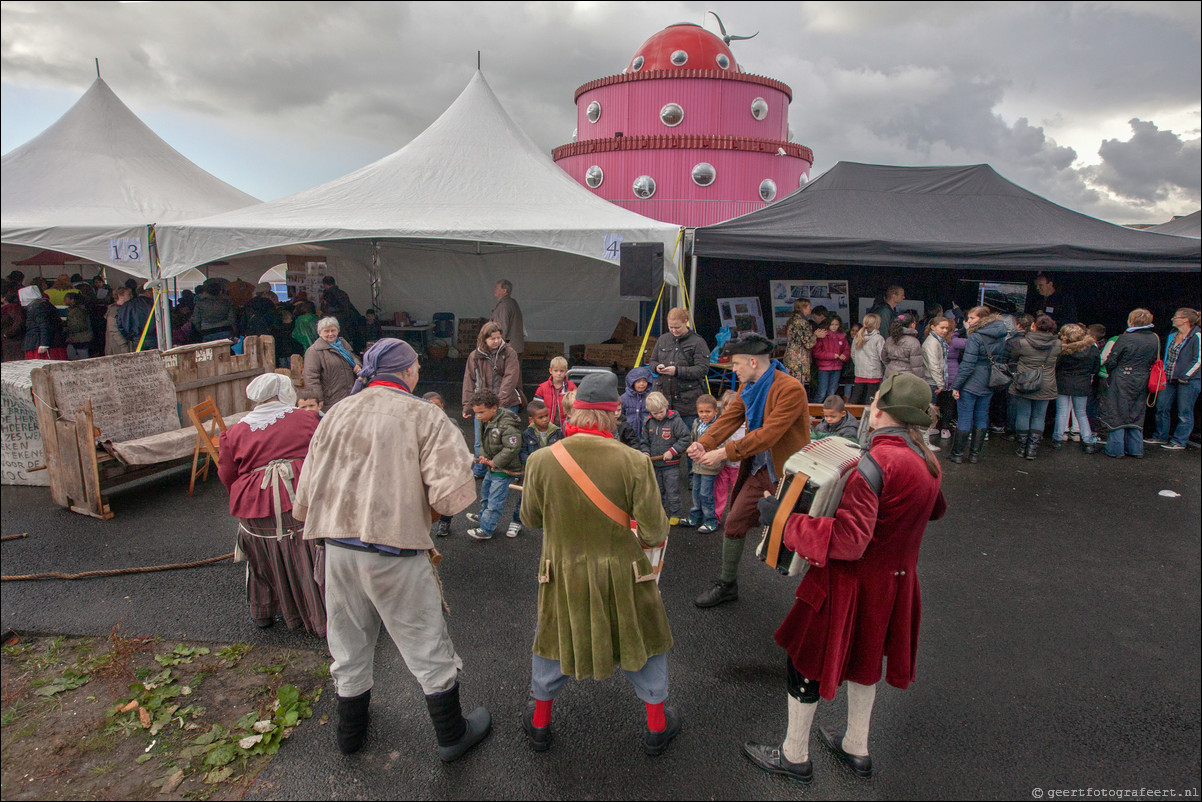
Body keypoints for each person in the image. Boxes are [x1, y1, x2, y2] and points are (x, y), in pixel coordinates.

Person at [293, 338, 490, 761]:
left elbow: (306, 492)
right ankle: (452, 735)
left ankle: (350, 735)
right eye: (416, 364)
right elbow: (452, 498)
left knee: (347, 642)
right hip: (394, 553)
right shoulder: (424, 416)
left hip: (337, 550)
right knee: (425, 642)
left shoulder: (337, 411)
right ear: (408, 371)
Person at [743, 372, 945, 784]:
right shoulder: (927, 458)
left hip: (847, 583)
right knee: (866, 661)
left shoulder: (876, 462)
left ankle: (794, 755)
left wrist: (782, 519)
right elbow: (935, 510)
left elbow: (850, 541)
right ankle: (856, 747)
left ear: (881, 410)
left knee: (805, 662)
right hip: (896, 581)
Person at [518, 372, 678, 756]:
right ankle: (656, 727)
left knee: (554, 638)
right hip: (625, 571)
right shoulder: (635, 460)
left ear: (575, 409)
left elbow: (531, 520)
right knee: (643, 639)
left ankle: (540, 723)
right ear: (615, 413)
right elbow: (655, 531)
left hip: (562, 571)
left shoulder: (541, 460)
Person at [688, 334, 809, 608]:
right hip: (760, 469)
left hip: (788, 473)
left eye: (737, 364)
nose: (734, 370)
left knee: (801, 536)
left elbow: (769, 435)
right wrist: (703, 443)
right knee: (733, 524)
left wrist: (723, 452)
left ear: (753, 361)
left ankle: (814, 600)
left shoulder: (790, 389)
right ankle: (727, 584)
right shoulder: (749, 386)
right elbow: (729, 418)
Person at [217, 373, 325, 634]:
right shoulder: (308, 418)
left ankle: (265, 611)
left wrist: (249, 494)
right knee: (309, 553)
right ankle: (320, 615)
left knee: (264, 557)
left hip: (256, 505)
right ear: (284, 393)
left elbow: (227, 475)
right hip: (300, 499)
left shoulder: (234, 432)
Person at [461, 321, 522, 478]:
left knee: (506, 439)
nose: (496, 341)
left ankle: (507, 471)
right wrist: (467, 406)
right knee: (480, 439)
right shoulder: (475, 356)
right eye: (492, 338)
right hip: (482, 404)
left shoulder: (509, 353)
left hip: (506, 403)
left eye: (498, 337)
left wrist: (499, 403)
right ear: (484, 339)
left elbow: (511, 378)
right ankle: (480, 470)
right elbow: (469, 381)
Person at [948, 306, 1008, 465]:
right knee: (982, 416)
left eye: (972, 318)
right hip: (989, 381)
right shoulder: (1001, 335)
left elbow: (968, 365)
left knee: (965, 417)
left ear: (982, 319)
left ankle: (957, 454)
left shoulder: (975, 337)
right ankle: (975, 455)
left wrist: (956, 385)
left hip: (971, 381)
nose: (968, 321)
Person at [1099, 309, 1159, 459]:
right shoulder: (1154, 338)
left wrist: (1110, 368)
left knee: (1117, 411)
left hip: (1122, 377)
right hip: (1142, 377)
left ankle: (1115, 449)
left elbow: (1112, 360)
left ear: (1131, 320)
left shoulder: (1125, 338)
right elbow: (1153, 360)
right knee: (1136, 412)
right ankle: (1135, 449)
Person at [465, 389, 523, 541]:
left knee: (494, 500)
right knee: (485, 494)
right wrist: (484, 455)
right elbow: (484, 440)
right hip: (492, 467)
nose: (478, 416)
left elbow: (512, 448)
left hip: (504, 470)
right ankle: (484, 517)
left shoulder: (507, 425)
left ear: (494, 408)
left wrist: (495, 461)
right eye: (476, 412)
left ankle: (486, 529)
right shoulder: (486, 420)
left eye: (481, 412)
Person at [1005, 314, 1061, 460]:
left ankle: (1021, 446)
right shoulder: (1057, 344)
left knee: (1023, 414)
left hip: (1025, 382)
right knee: (1039, 416)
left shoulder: (1022, 343)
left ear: (1033, 326)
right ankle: (1032, 449)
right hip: (1046, 383)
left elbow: (1013, 358)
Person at [1148, 308, 1201, 452]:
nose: (1173, 319)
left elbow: (1199, 360)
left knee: (1184, 412)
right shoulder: (1172, 335)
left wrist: (1185, 376)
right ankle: (1160, 435)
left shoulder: (1197, 335)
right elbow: (1166, 357)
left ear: (1185, 319)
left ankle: (1179, 441)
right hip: (1169, 378)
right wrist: (1163, 374)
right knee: (1161, 407)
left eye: (1176, 317)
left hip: (1189, 380)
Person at [648, 307, 710, 426]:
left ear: (686, 321)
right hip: (664, 401)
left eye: (677, 327)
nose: (674, 331)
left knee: (687, 439)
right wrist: (657, 367)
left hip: (687, 403)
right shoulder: (663, 339)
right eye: (671, 327)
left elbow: (702, 369)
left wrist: (677, 371)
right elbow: (652, 361)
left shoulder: (698, 342)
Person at [640, 391, 691, 525]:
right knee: (657, 491)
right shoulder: (648, 422)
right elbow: (644, 441)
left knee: (672, 490)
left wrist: (672, 451)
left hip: (671, 464)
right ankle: (660, 513)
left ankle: (675, 513)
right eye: (655, 413)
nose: (658, 415)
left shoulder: (675, 421)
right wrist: (645, 453)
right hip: (655, 464)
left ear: (666, 406)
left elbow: (686, 438)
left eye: (661, 412)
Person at [515, 398, 564, 536]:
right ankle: (516, 522)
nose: (545, 419)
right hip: (533, 471)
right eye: (540, 417)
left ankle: (547, 525)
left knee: (549, 499)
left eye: (546, 416)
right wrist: (531, 462)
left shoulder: (557, 432)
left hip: (551, 472)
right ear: (531, 419)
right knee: (525, 497)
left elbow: (562, 449)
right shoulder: (527, 434)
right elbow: (523, 451)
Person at [1052, 324, 1102, 453]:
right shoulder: (1092, 349)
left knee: (1062, 412)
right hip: (1082, 383)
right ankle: (1088, 441)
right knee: (1081, 413)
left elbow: (1056, 366)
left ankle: (1057, 439)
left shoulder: (1061, 350)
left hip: (1063, 382)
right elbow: (1096, 368)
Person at [683, 393, 722, 533]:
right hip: (697, 464)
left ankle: (711, 521)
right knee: (696, 492)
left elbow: (721, 445)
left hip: (710, 466)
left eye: (708, 411)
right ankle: (695, 517)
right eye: (701, 411)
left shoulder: (719, 426)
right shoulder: (696, 423)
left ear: (716, 411)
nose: (704, 414)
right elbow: (693, 439)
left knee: (706, 494)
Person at [303, 317, 360, 409]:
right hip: (330, 400)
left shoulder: (344, 346)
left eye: (333, 330)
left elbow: (353, 358)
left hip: (350, 396)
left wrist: (357, 364)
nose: (330, 334)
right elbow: (311, 378)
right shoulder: (314, 351)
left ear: (338, 330)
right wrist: (318, 399)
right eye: (326, 331)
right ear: (320, 333)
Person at [711, 390, 745, 525]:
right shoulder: (720, 424)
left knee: (737, 493)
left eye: (733, 408)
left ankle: (735, 518)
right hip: (724, 465)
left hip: (739, 466)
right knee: (719, 492)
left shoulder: (745, 425)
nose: (730, 411)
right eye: (726, 408)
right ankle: (716, 516)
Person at [922, 317, 953, 447]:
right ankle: (925, 442)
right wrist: (940, 383)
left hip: (932, 380)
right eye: (942, 327)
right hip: (931, 381)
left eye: (947, 328)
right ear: (933, 327)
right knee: (930, 413)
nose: (945, 330)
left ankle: (926, 438)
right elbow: (934, 365)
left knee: (931, 411)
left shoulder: (937, 341)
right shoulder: (932, 343)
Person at [20, 285, 67, 360]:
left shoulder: (38, 307)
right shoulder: (45, 304)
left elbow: (44, 325)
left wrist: (44, 344)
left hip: (38, 343)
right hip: (47, 342)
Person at [812, 317, 850, 403]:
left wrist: (844, 355)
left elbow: (847, 350)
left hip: (837, 367)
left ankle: (828, 413)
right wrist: (832, 355)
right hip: (824, 368)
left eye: (836, 325)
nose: (834, 327)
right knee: (822, 392)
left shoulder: (842, 337)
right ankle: (813, 412)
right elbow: (816, 353)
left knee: (832, 393)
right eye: (832, 324)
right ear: (827, 325)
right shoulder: (822, 336)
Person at [880, 312, 927, 382]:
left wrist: (893, 364)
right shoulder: (914, 342)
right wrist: (922, 382)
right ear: (913, 325)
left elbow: (884, 357)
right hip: (906, 378)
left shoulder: (889, 339)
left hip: (890, 374)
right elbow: (917, 367)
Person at [850, 313, 885, 405]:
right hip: (873, 373)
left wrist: (858, 364)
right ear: (876, 325)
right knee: (870, 400)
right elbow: (883, 356)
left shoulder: (858, 336)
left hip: (859, 372)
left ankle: (850, 417)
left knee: (855, 398)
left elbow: (853, 354)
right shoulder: (878, 338)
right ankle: (867, 418)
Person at [781, 299, 818, 386]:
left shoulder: (793, 320)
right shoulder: (802, 322)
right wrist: (815, 335)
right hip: (799, 359)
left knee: (790, 385)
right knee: (798, 386)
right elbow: (808, 343)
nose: (811, 308)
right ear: (803, 308)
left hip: (790, 357)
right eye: (809, 306)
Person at [533, 356, 577, 428]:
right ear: (550, 371)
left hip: (567, 426)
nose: (559, 373)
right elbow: (535, 409)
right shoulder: (542, 388)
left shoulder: (572, 387)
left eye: (562, 371)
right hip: (547, 427)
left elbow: (577, 408)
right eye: (556, 370)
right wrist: (534, 426)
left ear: (566, 371)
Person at [620, 366, 654, 447]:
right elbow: (620, 416)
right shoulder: (624, 398)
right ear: (632, 382)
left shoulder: (651, 397)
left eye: (644, 381)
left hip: (647, 435)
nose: (642, 384)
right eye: (638, 381)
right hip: (628, 436)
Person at [490, 278, 525, 355]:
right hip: (515, 348)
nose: (495, 289)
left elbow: (502, 328)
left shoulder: (504, 306)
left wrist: (495, 347)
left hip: (507, 350)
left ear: (504, 291)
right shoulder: (512, 303)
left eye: (497, 288)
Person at [104, 287, 134, 355]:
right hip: (117, 345)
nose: (131, 296)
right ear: (120, 296)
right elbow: (113, 329)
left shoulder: (124, 308)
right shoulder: (113, 310)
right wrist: (123, 344)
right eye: (128, 294)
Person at [64, 291, 92, 360]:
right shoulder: (79, 310)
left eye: (66, 298)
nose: (64, 300)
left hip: (81, 338)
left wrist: (66, 328)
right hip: (80, 338)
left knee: (83, 358)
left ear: (72, 300)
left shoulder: (77, 311)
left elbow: (80, 325)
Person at [1, 287, 24, 362]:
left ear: (4, 298)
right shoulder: (15, 308)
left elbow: (18, 322)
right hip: (12, 340)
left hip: (11, 341)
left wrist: (7, 334)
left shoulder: (10, 308)